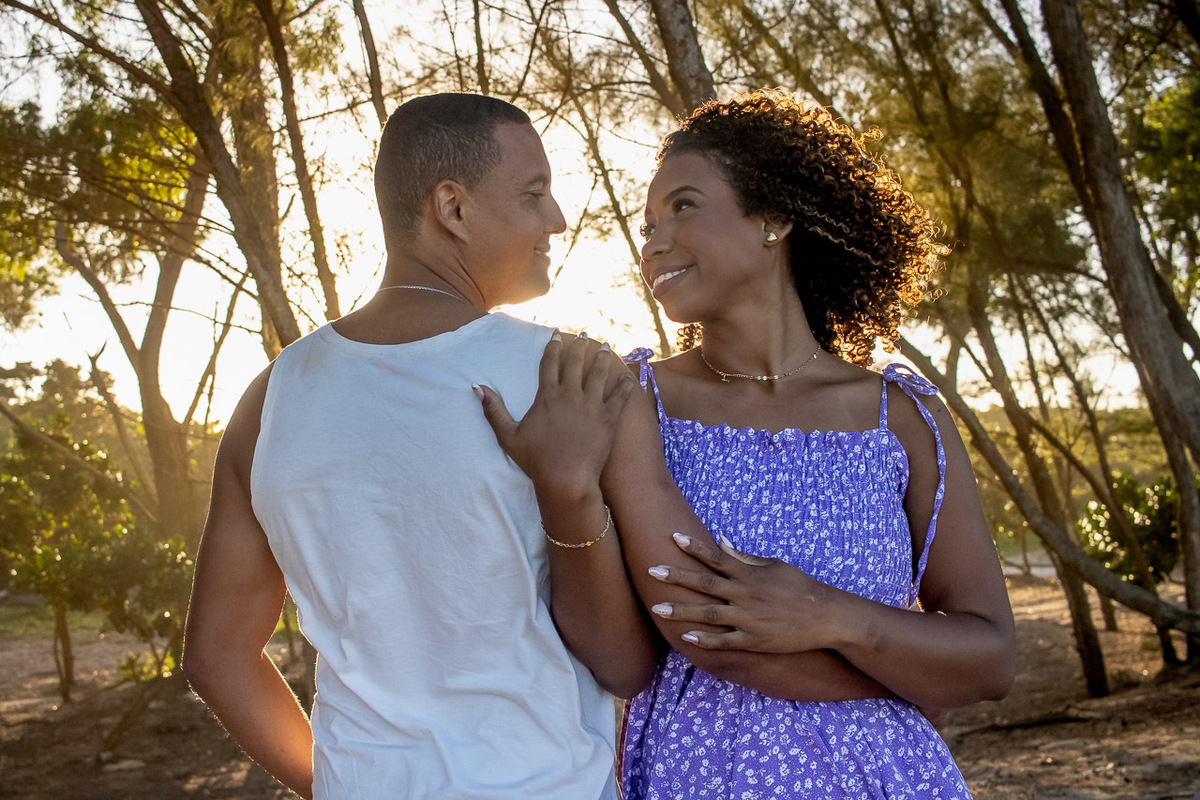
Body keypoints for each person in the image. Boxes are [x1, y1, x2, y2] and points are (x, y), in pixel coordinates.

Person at [491, 89, 1016, 799]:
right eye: (647, 225)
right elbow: (704, 630)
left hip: (891, 778)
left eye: (682, 206)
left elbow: (989, 660)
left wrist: (834, 616)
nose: (655, 240)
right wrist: (900, 674)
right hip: (704, 777)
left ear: (772, 217)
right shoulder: (630, 398)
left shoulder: (904, 417)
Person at [181, 92, 656, 799]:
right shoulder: (572, 378)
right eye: (534, 194)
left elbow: (217, 656)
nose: (555, 219)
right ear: (453, 208)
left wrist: (337, 784)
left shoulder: (269, 399)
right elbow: (624, 664)